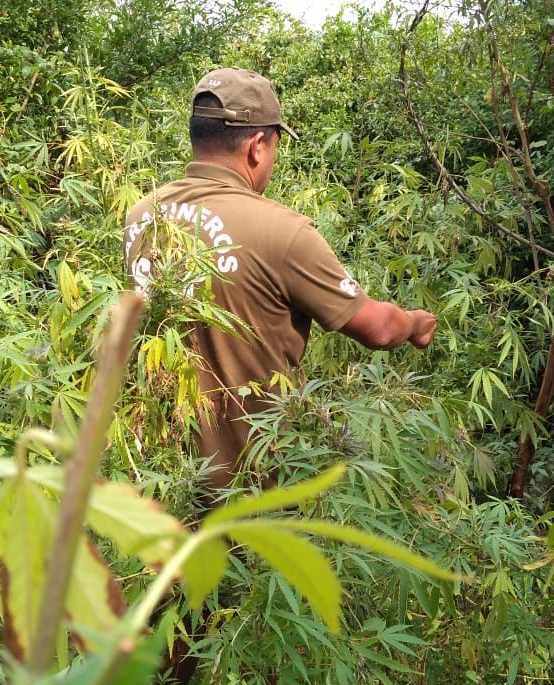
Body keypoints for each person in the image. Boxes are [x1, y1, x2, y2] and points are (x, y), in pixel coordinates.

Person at [124, 67, 436, 495]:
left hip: (165, 484)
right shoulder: (282, 233)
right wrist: (415, 323)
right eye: (274, 147)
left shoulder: (143, 215)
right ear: (256, 147)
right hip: (257, 487)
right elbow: (378, 328)